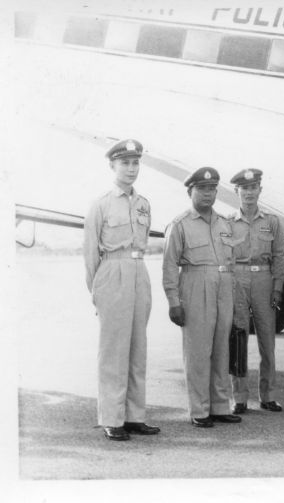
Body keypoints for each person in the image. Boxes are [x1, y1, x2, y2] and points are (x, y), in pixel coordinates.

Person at [83, 139, 159, 441]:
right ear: (112, 166)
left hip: (139, 272)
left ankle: (134, 416)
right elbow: (91, 254)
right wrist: (98, 291)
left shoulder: (143, 204)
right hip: (112, 272)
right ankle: (112, 419)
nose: (131, 168)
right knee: (114, 351)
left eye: (135, 163)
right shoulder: (100, 204)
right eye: (125, 163)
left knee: (138, 348)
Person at [162, 167, 242, 427]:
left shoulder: (224, 223)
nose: (208, 194)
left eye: (212, 189)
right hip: (195, 285)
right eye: (202, 189)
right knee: (198, 351)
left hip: (223, 286)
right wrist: (174, 302)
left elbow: (231, 261)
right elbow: (169, 265)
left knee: (221, 348)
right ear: (190, 191)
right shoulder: (180, 224)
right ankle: (199, 410)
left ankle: (219, 405)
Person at [228, 168, 284, 415]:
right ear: (237, 191)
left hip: (264, 277)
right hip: (238, 277)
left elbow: (278, 257)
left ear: (260, 190)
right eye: (245, 188)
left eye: (254, 188)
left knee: (267, 339)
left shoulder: (272, 222)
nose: (249, 193)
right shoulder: (228, 222)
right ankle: (239, 397)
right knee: (238, 338)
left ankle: (269, 395)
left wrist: (277, 287)